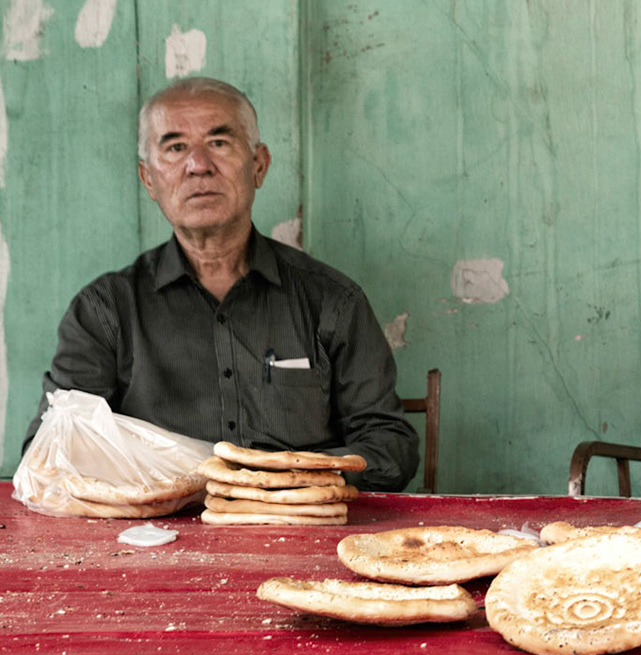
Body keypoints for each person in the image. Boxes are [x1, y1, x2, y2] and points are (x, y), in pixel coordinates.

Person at [24, 77, 420, 490]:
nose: (198, 165)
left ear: (259, 165)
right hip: (153, 541)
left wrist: (281, 480)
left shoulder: (333, 301)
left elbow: (390, 449)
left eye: (218, 142)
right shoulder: (104, 311)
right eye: (175, 147)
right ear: (149, 179)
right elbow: (50, 453)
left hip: (304, 529)